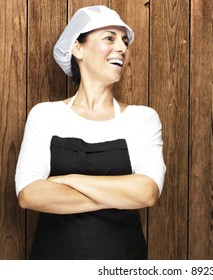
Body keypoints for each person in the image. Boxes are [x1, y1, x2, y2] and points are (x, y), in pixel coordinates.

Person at [15, 5, 166, 260]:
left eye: (124, 41)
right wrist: (120, 196)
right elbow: (29, 195)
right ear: (77, 48)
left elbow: (147, 192)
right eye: (110, 37)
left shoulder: (143, 118)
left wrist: (66, 179)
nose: (122, 48)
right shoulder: (45, 115)